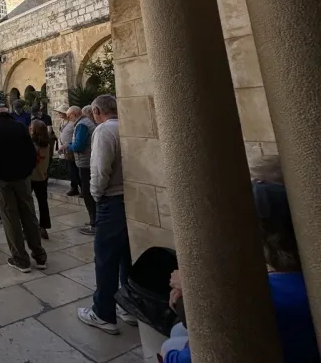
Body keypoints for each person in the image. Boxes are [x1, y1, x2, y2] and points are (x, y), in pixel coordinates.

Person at [161, 176, 320, 363]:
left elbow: (205, 352)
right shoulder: (307, 277)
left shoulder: (250, 296)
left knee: (169, 346)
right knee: (178, 330)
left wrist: (193, 289)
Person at [77, 94, 134, 334]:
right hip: (131, 199)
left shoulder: (103, 131)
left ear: (97, 111)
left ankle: (103, 313)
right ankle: (130, 305)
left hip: (111, 200)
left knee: (106, 258)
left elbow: (100, 169)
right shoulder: (127, 127)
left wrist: (95, 194)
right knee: (126, 257)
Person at [0, 100, 47, 273]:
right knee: (29, 215)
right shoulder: (19, 127)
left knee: (11, 218)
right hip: (22, 179)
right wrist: (26, 172)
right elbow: (32, 153)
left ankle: (21, 259)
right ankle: (39, 256)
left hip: (3, 180)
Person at [62, 105, 97, 235]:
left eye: (69, 115)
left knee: (88, 193)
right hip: (87, 161)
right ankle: (94, 220)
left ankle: (94, 224)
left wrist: (67, 146)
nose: (68, 118)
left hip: (85, 163)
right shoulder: (84, 122)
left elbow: (79, 145)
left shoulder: (81, 125)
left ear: (73, 114)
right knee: (88, 192)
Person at [29, 119, 52, 239]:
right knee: (43, 202)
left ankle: (29, 228)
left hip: (31, 176)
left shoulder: (32, 144)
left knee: (27, 203)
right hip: (43, 175)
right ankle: (44, 227)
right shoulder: (47, 144)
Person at [56, 105, 80, 197]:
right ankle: (74, 187)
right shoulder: (62, 122)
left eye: (61, 112)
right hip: (65, 149)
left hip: (71, 148)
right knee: (70, 170)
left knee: (75, 169)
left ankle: (80, 187)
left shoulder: (73, 123)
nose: (59, 114)